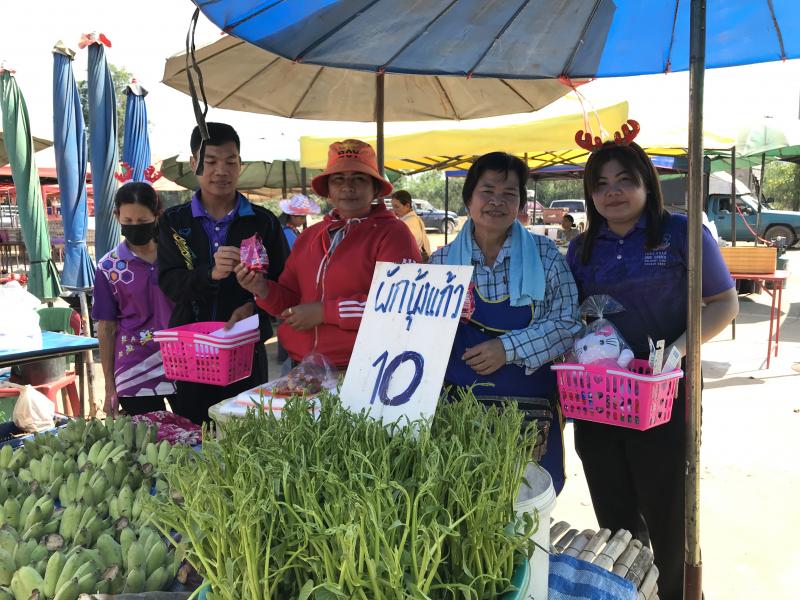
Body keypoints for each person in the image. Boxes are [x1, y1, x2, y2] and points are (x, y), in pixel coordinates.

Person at [566, 140, 738, 600]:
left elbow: (724, 303)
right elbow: (569, 319)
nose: (613, 192)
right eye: (600, 184)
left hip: (665, 395)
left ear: (647, 184)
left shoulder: (682, 233)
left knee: (667, 509)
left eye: (625, 180)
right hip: (598, 400)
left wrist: (678, 353)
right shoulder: (581, 248)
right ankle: (627, 591)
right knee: (614, 511)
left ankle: (678, 594)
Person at [429, 152, 583, 495]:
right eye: (487, 191)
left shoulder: (545, 256)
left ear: (521, 204)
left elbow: (568, 324)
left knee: (526, 505)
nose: (497, 202)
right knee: (466, 504)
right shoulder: (440, 263)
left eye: (509, 194)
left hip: (530, 417)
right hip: (459, 414)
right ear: (469, 198)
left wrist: (507, 348)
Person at [235, 139, 421, 370]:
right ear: (329, 190)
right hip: (298, 367)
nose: (348, 187)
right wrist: (261, 288)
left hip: (364, 370)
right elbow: (289, 300)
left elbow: (400, 305)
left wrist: (325, 312)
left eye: (359, 179)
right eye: (339, 179)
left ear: (375, 188)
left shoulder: (394, 234)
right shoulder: (309, 237)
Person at [157, 123, 289, 423]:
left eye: (231, 161)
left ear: (240, 165)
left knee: (248, 434)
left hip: (246, 353)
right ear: (195, 164)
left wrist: (256, 307)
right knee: (194, 434)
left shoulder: (263, 222)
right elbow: (168, 282)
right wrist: (210, 274)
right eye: (211, 161)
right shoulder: (174, 223)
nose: (221, 171)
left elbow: (284, 285)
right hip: (190, 354)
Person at [93, 182, 176, 416]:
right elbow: (106, 328)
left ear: (157, 215)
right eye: (127, 222)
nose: (135, 228)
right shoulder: (108, 267)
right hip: (133, 369)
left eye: (142, 222)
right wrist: (110, 384)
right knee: (148, 445)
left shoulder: (177, 257)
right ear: (117, 216)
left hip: (182, 362)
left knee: (196, 435)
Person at [390, 190, 431, 261]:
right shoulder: (410, 219)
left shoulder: (410, 222)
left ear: (407, 206)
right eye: (393, 207)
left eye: (397, 207)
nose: (394, 210)